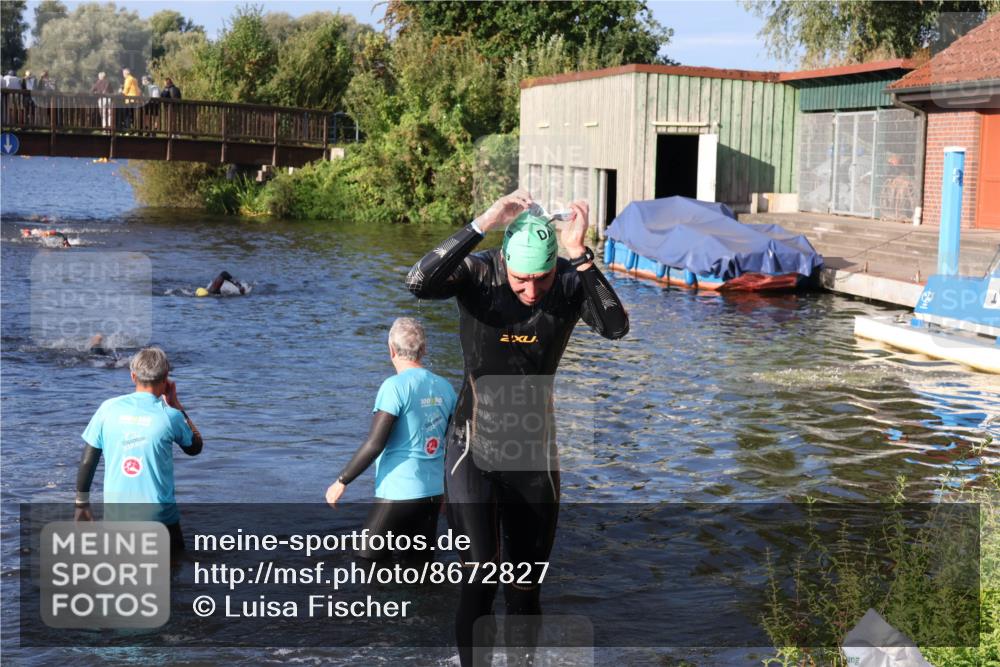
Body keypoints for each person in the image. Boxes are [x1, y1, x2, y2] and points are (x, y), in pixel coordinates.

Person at [406, 190, 629, 666]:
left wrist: (579, 256)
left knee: (525, 591)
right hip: (472, 448)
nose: (531, 291)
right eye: (522, 280)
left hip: (534, 456)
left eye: (541, 279)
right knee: (480, 575)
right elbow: (418, 282)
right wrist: (482, 222)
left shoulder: (569, 282)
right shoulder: (480, 273)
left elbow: (615, 328)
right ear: (504, 261)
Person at [325, 318, 457, 563]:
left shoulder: (393, 387)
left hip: (398, 493)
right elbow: (451, 444)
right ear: (424, 349)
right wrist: (446, 492)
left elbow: (375, 444)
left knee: (365, 563)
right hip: (432, 494)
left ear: (391, 349)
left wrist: (342, 481)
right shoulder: (445, 387)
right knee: (419, 571)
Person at [75, 347, 203, 556]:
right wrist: (176, 404)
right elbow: (195, 447)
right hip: (161, 521)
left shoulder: (107, 408)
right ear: (166, 378)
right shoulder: (171, 415)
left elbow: (89, 460)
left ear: (133, 376)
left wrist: (81, 503)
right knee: (173, 577)